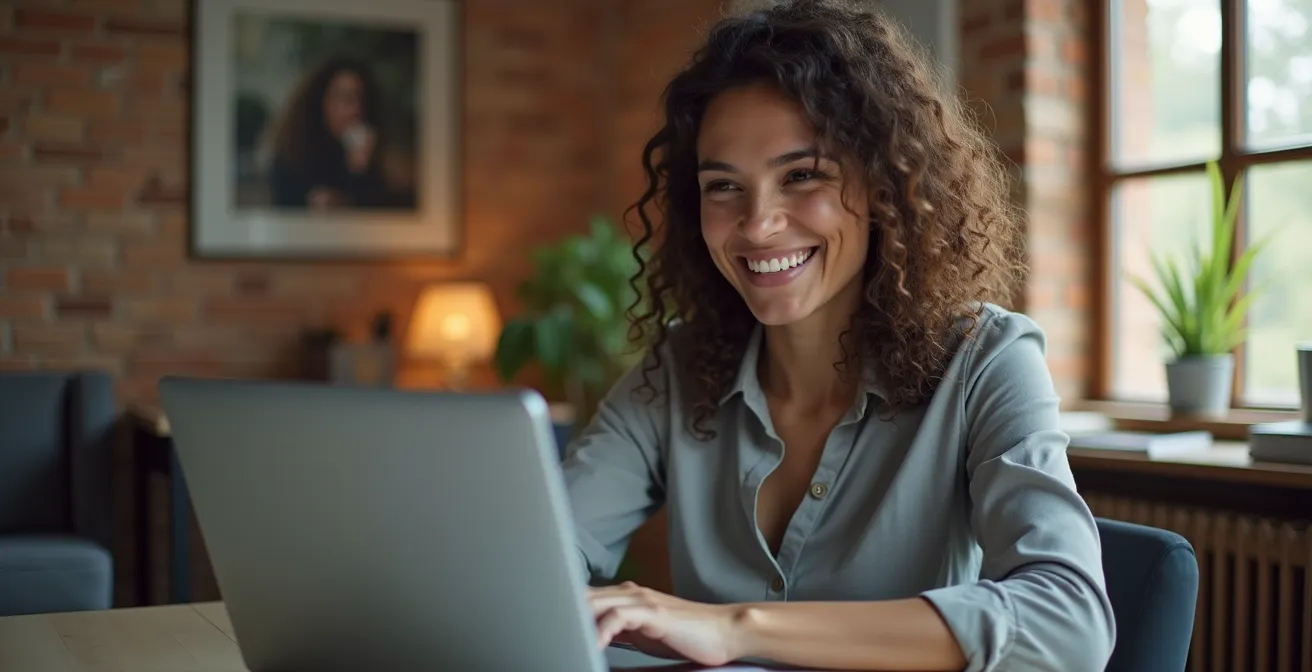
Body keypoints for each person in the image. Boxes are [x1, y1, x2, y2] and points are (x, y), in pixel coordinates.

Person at [562, 1, 1117, 670]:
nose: (758, 224)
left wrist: (739, 628)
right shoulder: (677, 372)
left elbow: (1070, 623)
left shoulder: (984, 361)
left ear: (883, 184)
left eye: (802, 176)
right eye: (724, 187)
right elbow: (537, 558)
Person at [266, 55, 396, 210]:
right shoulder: (292, 152)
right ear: (321, 103)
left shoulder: (374, 154)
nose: (356, 111)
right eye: (346, 100)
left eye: (361, 100)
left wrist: (359, 169)